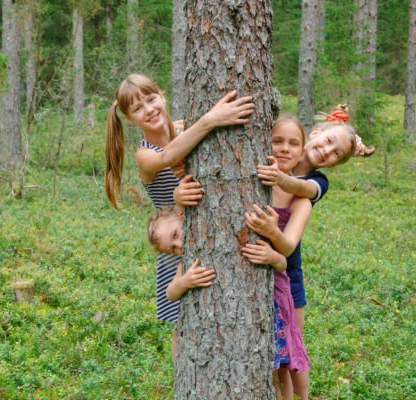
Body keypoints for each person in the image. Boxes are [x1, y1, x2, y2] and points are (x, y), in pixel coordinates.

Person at [104, 74, 254, 358]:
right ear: (128, 118)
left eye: (151, 99)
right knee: (183, 324)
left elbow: (179, 145)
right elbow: (169, 157)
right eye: (137, 109)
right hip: (174, 245)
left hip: (205, 235)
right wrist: (211, 119)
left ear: (162, 95)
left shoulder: (183, 129)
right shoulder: (144, 155)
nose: (148, 110)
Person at [146, 204, 291, 399]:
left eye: (175, 235)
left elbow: (282, 263)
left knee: (269, 375)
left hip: (259, 320)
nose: (179, 245)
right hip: (227, 332)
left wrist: (272, 257)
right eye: (173, 248)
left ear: (184, 217)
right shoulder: (187, 263)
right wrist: (184, 281)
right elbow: (170, 293)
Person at [255, 106, 375, 334]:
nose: (327, 151)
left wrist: (280, 177)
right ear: (315, 133)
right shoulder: (280, 149)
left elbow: (301, 187)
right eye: (328, 140)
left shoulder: (318, 181)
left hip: (288, 267)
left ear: (335, 164)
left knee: (293, 340)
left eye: (336, 154)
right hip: (257, 258)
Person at [242, 118, 313, 400]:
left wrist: (273, 233)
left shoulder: (302, 197)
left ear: (302, 151)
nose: (284, 149)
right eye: (277, 140)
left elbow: (288, 246)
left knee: (293, 346)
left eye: (293, 143)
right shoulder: (251, 180)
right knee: (273, 353)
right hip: (258, 276)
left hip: (289, 279)